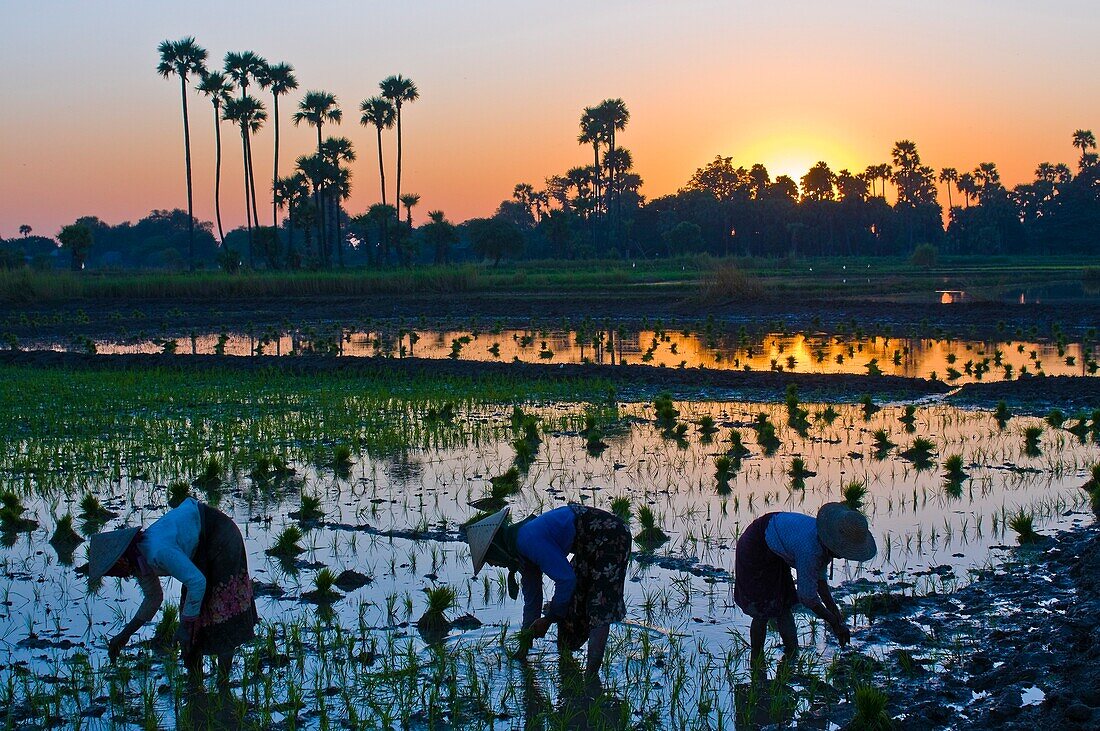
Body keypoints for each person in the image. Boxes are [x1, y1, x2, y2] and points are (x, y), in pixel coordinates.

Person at [88, 496, 258, 687]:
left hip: (221, 535)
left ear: (122, 561)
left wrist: (184, 626)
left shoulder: (157, 551)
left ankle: (223, 683)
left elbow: (196, 582)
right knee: (193, 611)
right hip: (198, 547)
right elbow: (153, 598)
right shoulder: (139, 560)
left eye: (115, 571)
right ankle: (196, 684)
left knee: (222, 607)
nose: (118, 577)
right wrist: (125, 635)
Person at [466, 503, 631, 679]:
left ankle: (590, 681)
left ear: (497, 549)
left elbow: (566, 579)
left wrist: (549, 618)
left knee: (599, 606)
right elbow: (533, 600)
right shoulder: (520, 550)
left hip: (609, 535)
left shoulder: (527, 539)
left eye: (490, 559)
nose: (492, 564)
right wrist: (525, 642)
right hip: (587, 545)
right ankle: (568, 668)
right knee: (574, 601)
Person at [734, 502, 876, 679]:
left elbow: (821, 581)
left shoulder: (824, 540)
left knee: (783, 606)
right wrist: (833, 622)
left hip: (775, 546)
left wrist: (834, 611)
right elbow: (807, 597)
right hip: (756, 545)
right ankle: (756, 664)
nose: (843, 555)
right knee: (762, 610)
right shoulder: (810, 549)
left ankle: (792, 657)